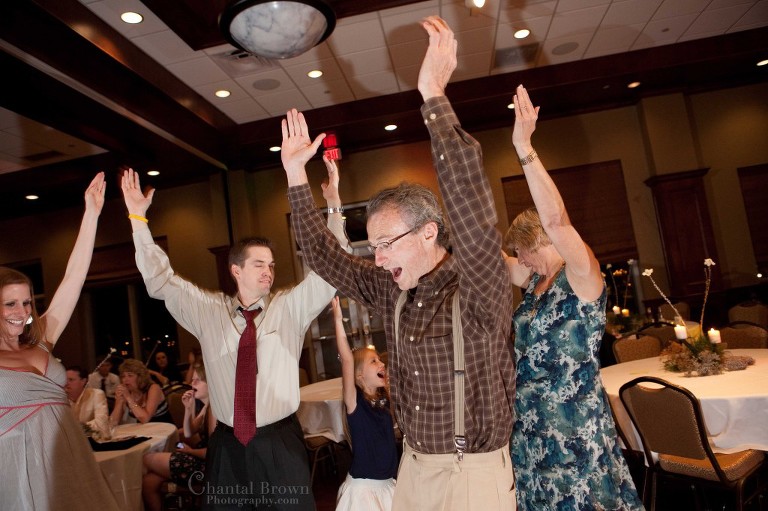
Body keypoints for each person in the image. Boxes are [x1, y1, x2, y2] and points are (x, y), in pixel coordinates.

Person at [282, 16, 516, 511]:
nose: (379, 256)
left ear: (429, 231)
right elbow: (325, 258)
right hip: (411, 468)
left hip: (470, 474)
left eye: (388, 241)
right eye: (374, 245)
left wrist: (433, 96)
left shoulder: (479, 285)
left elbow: (473, 214)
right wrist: (295, 179)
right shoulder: (394, 289)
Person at [120, 166, 350, 511]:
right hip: (227, 445)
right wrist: (138, 218)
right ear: (236, 270)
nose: (268, 272)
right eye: (258, 264)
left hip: (279, 443)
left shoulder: (289, 308)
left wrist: (333, 204)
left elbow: (332, 270)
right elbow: (160, 281)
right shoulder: (208, 313)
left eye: (271, 265)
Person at [503, 85, 643, 510]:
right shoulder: (533, 284)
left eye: (520, 249)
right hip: (530, 431)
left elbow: (556, 218)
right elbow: (486, 258)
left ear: (534, 241)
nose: (518, 259)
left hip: (574, 431)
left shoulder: (581, 275)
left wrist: (524, 147)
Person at [0, 173, 120, 510]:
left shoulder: (41, 343)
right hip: (15, 474)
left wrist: (91, 215)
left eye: (26, 302)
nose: (21, 311)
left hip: (70, 466)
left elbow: (73, 279)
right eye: (10, 303)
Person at [332, 296, 397, 511]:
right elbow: (347, 359)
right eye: (374, 360)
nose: (381, 363)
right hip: (364, 493)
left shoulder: (385, 399)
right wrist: (338, 321)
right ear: (358, 375)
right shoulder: (355, 404)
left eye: (379, 359)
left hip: (388, 486)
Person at [142, 363, 215, 511]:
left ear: (211, 383)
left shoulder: (214, 411)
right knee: (149, 482)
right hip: (200, 459)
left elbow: (214, 453)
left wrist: (189, 452)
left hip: (208, 468)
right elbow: (189, 432)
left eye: (197, 380)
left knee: (146, 458)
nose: (192, 383)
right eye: (192, 379)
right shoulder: (207, 406)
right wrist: (188, 409)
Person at [110, 358, 174, 425]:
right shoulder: (127, 391)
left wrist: (128, 398)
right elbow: (113, 422)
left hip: (164, 429)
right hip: (144, 431)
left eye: (130, 375)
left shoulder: (153, 388)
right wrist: (119, 401)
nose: (125, 379)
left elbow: (145, 419)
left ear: (140, 377)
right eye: (123, 376)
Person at [65, 364, 110, 437]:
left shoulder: (96, 394)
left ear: (83, 381)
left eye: (71, 380)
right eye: (65, 380)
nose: (66, 383)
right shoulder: (61, 399)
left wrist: (75, 428)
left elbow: (101, 424)